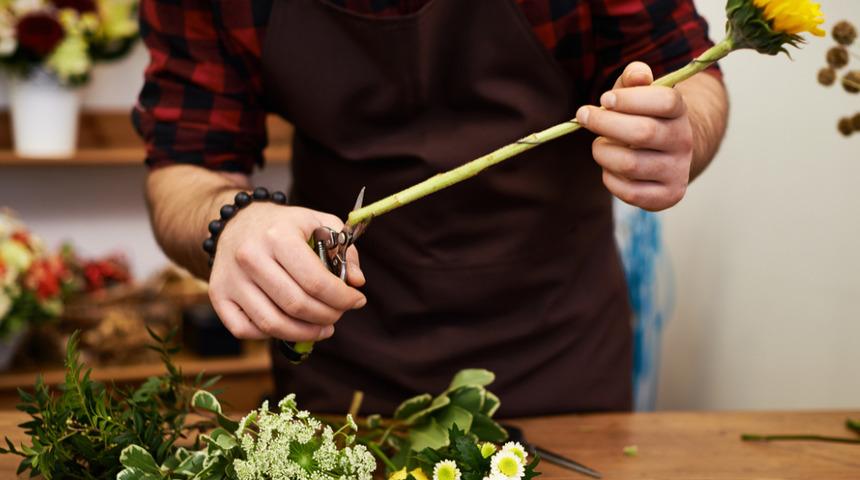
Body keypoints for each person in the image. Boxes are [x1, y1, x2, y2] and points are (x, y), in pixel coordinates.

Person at [136, 0, 728, 417]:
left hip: (558, 357)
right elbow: (185, 170)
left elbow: (692, 75)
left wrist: (679, 130)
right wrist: (233, 220)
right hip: (345, 372)